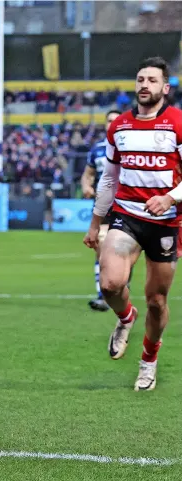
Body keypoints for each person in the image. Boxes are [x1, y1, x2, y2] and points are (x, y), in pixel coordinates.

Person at [84, 57, 182, 391]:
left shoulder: (178, 123)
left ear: (165, 88)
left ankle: (149, 360)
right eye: (140, 79)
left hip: (166, 222)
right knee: (110, 285)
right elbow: (109, 180)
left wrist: (170, 198)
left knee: (156, 301)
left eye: (152, 80)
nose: (144, 85)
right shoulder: (120, 126)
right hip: (125, 216)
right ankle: (126, 317)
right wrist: (96, 223)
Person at [80, 109, 124, 311]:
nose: (111, 123)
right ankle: (103, 294)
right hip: (102, 205)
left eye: (116, 120)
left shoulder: (131, 147)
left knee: (122, 250)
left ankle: (119, 288)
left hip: (126, 205)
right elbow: (87, 174)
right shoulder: (97, 149)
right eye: (109, 121)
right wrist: (86, 187)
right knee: (101, 247)